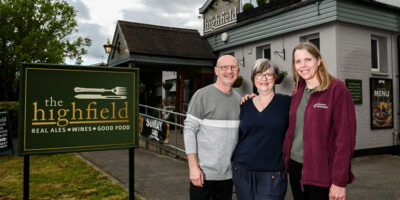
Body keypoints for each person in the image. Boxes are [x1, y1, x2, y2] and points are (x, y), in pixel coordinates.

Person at [282, 42, 356, 200]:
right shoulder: (298, 90)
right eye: (298, 61)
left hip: (321, 170)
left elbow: (345, 139)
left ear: (319, 60)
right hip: (295, 168)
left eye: (308, 59)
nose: (303, 65)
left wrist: (339, 181)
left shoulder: (337, 89)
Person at [183, 55, 242, 200]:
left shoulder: (239, 100)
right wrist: (193, 167)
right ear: (216, 71)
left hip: (228, 176)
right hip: (203, 175)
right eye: (224, 67)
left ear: (238, 71)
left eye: (233, 67)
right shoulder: (202, 95)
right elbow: (189, 130)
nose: (229, 71)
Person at [232, 59, 291, 200]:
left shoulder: (287, 103)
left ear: (275, 78)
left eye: (268, 75)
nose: (264, 79)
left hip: (272, 174)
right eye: (259, 74)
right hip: (242, 171)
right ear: (253, 78)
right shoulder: (244, 105)